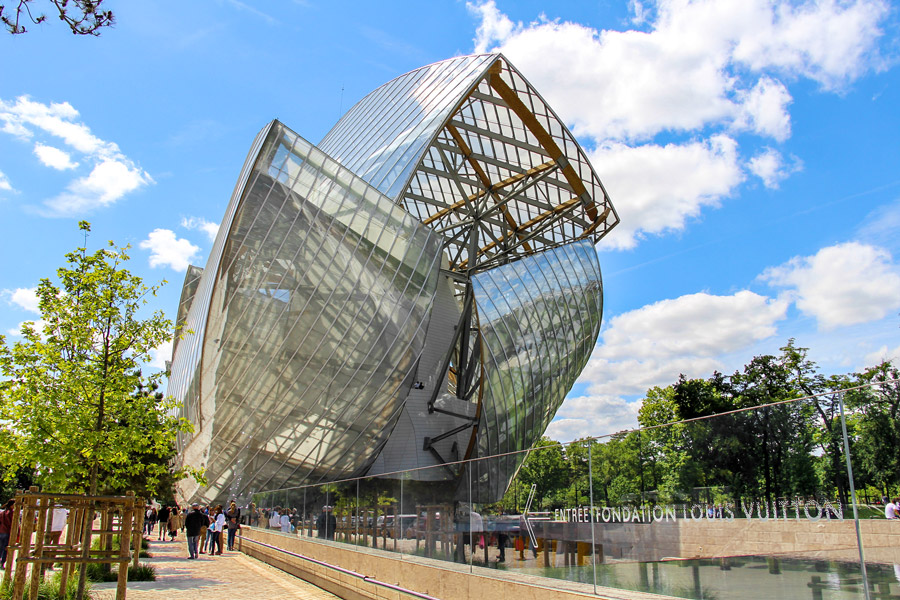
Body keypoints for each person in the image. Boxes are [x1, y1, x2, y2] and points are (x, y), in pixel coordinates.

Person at [0, 499, 14, 568]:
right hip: (7, 532)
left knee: (0, 548)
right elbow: (10, 523)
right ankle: (2, 563)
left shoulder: (2, 512)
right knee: (5, 548)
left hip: (1, 532)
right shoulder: (10, 513)